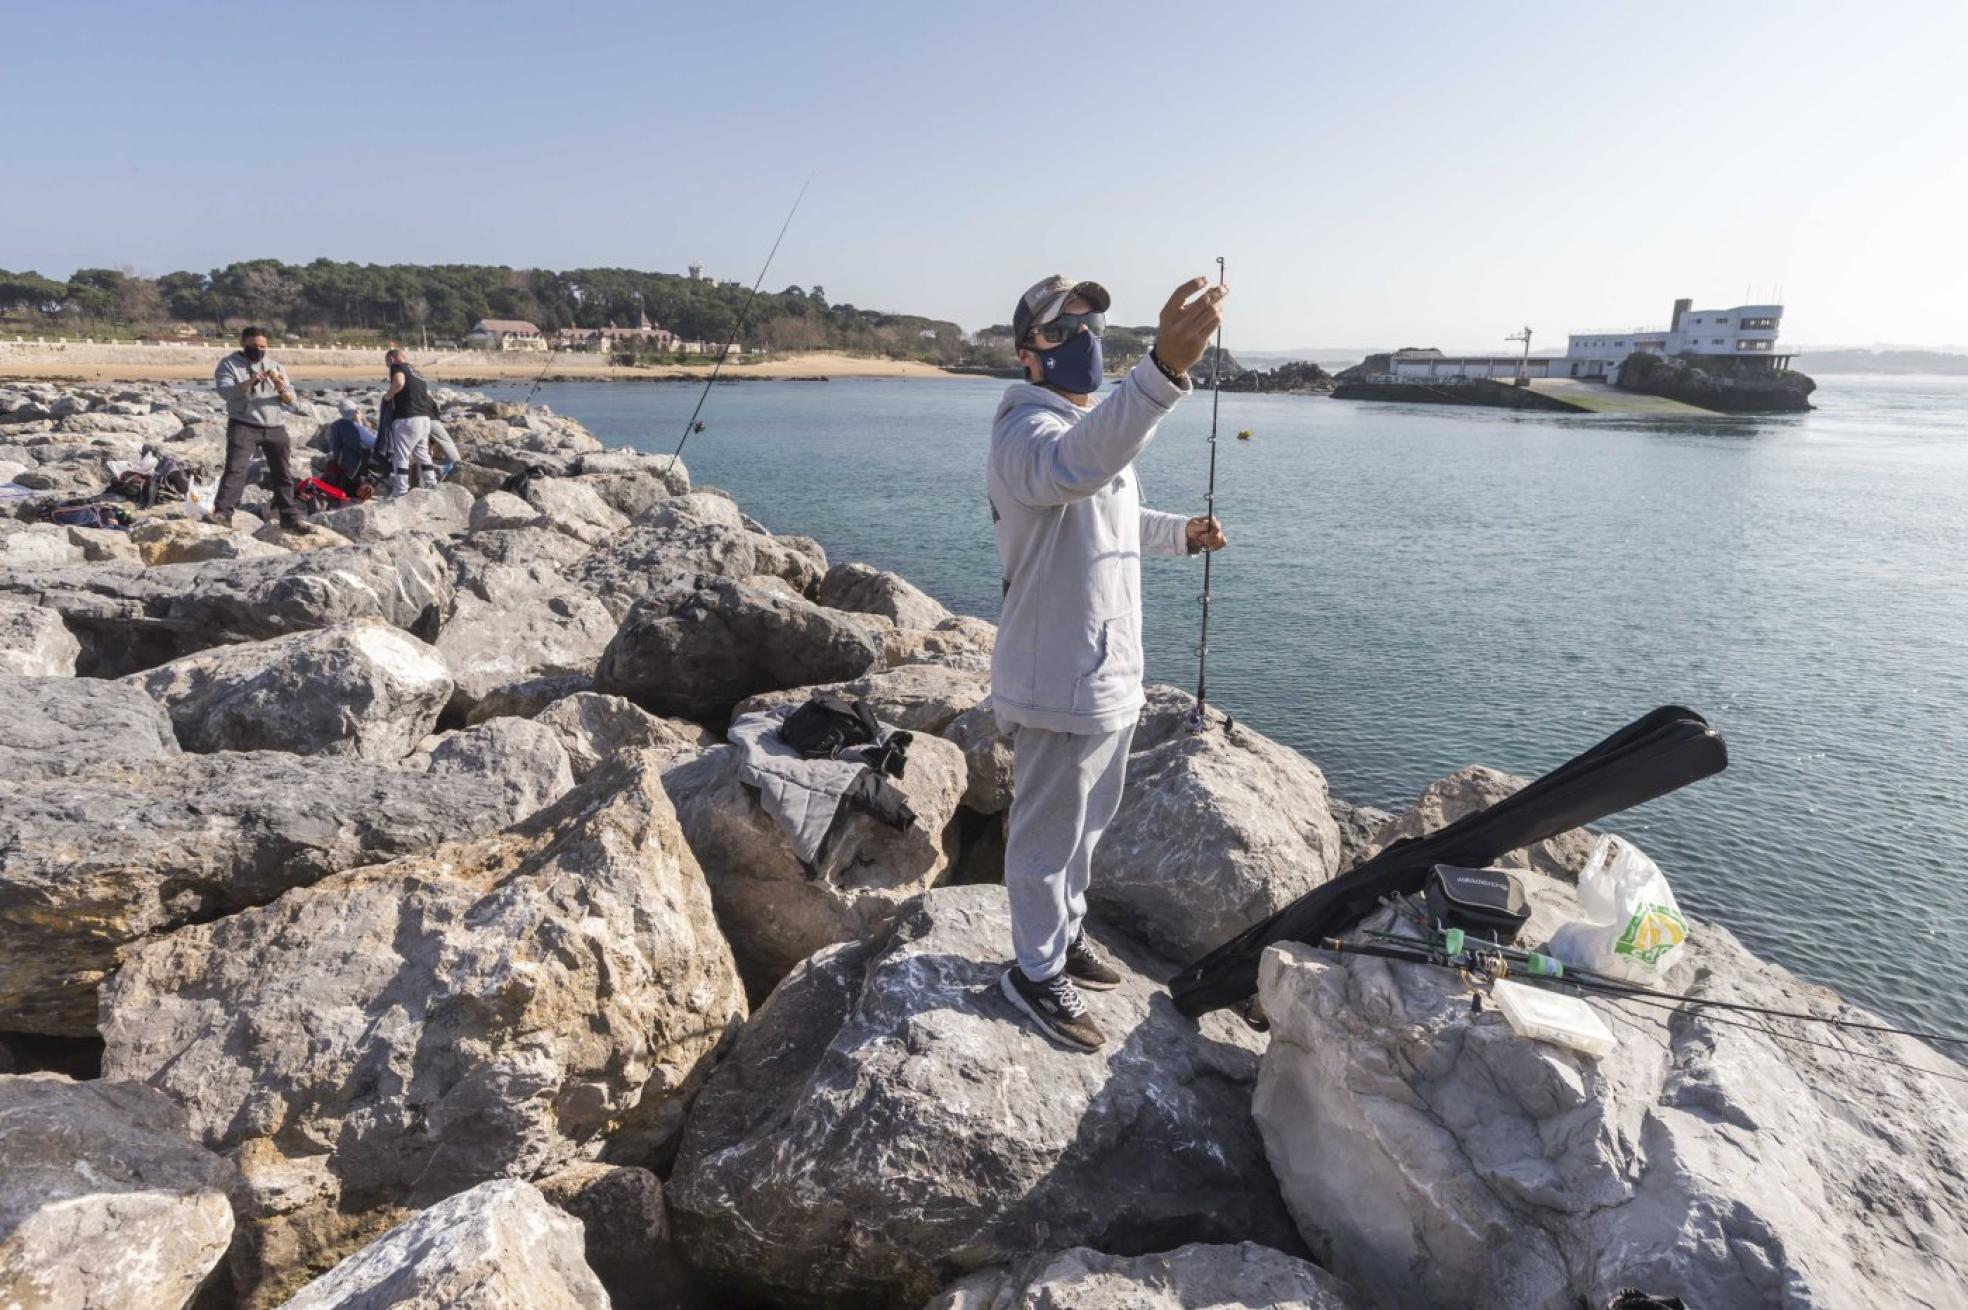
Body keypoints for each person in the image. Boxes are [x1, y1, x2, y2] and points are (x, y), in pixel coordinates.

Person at [987, 273, 1229, 1051]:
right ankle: (1032, 970)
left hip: (1107, 671)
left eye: (1091, 323)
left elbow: (1110, 510)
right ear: (1029, 354)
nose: (1084, 339)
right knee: (1046, 837)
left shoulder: (1081, 427)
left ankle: (1067, 934)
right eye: (1063, 330)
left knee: (1088, 828)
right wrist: (1161, 371)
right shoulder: (1025, 432)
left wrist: (1177, 534)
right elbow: (1074, 470)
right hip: (1054, 676)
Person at [210, 326, 306, 530]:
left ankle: (289, 515)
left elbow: (292, 401)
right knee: (236, 469)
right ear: (243, 343)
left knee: (283, 472)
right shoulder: (229, 364)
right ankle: (223, 512)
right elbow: (226, 392)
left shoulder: (275, 366)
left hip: (275, 426)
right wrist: (251, 381)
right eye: (254, 346)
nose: (259, 350)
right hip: (244, 424)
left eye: (263, 346)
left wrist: (280, 387)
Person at [382, 347, 440, 494]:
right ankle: (431, 484)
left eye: (387, 363)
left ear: (391, 358)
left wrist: (388, 396)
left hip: (407, 418)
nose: (388, 366)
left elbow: (399, 383)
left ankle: (401, 490)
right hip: (424, 419)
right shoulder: (418, 373)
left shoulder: (397, 366)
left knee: (401, 454)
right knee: (422, 453)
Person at [323, 398, 377, 491]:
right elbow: (374, 443)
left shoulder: (335, 425)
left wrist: (359, 422)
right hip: (357, 468)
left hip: (341, 465)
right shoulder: (356, 428)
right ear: (356, 411)